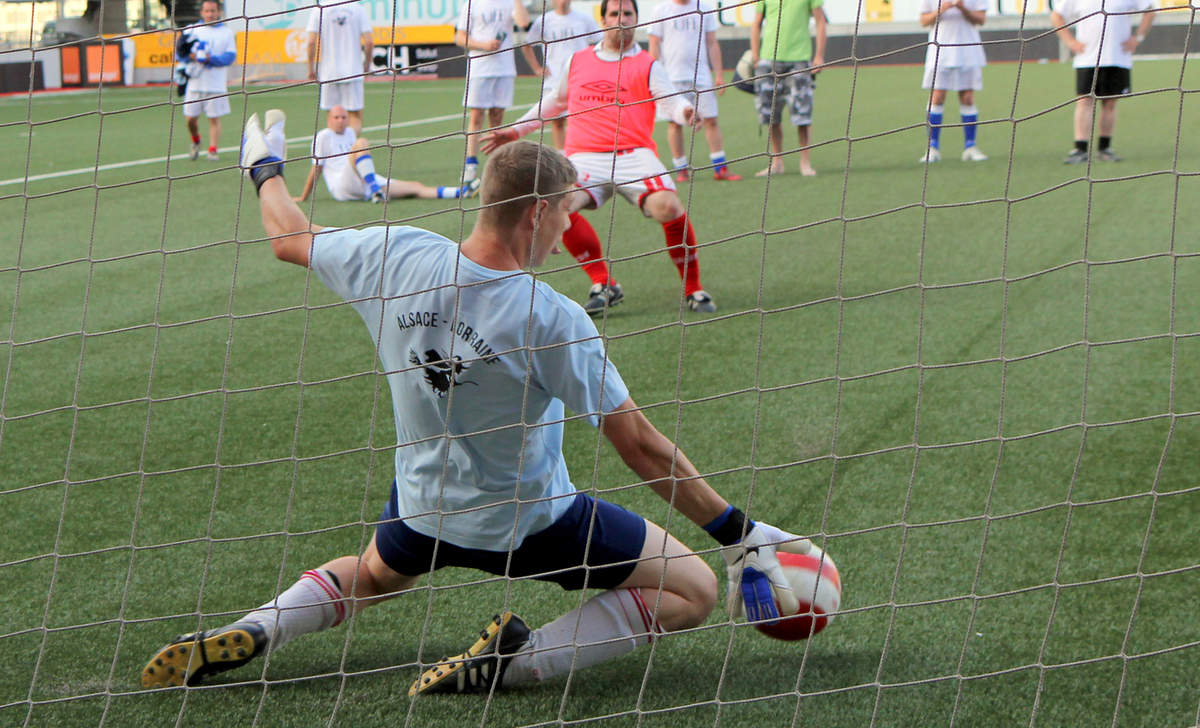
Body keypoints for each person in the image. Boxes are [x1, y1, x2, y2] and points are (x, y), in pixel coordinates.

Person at [139, 113, 816, 695]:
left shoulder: (394, 254)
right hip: (535, 525)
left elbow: (287, 236)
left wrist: (264, 169)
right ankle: (517, 663)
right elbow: (638, 445)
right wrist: (738, 533)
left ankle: (262, 624)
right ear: (534, 214)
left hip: (423, 508)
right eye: (565, 209)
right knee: (691, 589)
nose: (569, 223)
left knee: (374, 573)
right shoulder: (550, 318)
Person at [484, 0, 718, 315]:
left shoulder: (647, 64)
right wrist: (515, 130)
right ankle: (603, 281)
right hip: (585, 157)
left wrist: (686, 112)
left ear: (636, 20)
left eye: (627, 14)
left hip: (634, 155)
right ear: (603, 19)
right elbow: (554, 102)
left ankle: (694, 288)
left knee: (668, 206)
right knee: (556, 205)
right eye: (613, 14)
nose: (620, 20)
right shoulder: (578, 61)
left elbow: (672, 100)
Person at [1050, 0, 1154, 164]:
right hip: (1088, 59)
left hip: (1117, 57)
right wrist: (1070, 42)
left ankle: (1104, 149)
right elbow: (1056, 14)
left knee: (1110, 104)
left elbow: (1150, 9)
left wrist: (1138, 38)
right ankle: (1080, 149)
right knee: (1084, 101)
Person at [648, 0, 741, 183]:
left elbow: (712, 43)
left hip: (701, 77)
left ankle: (720, 168)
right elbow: (654, 45)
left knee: (711, 120)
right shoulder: (661, 11)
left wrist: (718, 74)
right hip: (671, 77)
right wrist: (653, 76)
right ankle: (682, 168)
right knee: (675, 123)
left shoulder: (704, 9)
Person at [750, 0, 827, 178]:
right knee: (771, 114)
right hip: (769, 60)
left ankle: (805, 161)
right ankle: (778, 161)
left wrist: (819, 55)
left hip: (799, 60)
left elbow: (821, 22)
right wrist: (755, 55)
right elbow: (756, 24)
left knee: (803, 113)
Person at [296, 105, 477, 203]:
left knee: (415, 186)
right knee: (362, 143)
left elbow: (357, 114)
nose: (341, 120)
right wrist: (304, 197)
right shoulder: (323, 137)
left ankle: (461, 193)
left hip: (364, 181)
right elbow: (316, 170)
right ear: (329, 120)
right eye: (336, 117)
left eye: (344, 117)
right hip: (343, 186)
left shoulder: (350, 132)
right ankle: (376, 191)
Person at [455, 0, 530, 182]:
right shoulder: (473, 4)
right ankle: (470, 165)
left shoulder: (509, 2)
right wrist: (482, 45)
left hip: (504, 68)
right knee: (476, 116)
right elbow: (460, 38)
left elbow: (523, 22)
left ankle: (494, 168)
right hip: (480, 67)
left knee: (497, 118)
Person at [917, 0, 989, 164]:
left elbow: (981, 19)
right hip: (940, 50)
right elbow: (923, 21)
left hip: (968, 49)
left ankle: (970, 147)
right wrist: (942, 9)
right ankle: (933, 148)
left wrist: (964, 9)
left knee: (967, 96)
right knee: (937, 96)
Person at [520, 0, 600, 150]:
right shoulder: (544, 20)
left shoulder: (583, 19)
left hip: (579, 78)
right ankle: (561, 156)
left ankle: (579, 153)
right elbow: (526, 45)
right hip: (554, 79)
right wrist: (537, 68)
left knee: (579, 119)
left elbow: (600, 42)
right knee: (556, 121)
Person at [307, 0, 374, 136]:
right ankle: (351, 152)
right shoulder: (358, 8)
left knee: (333, 115)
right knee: (355, 115)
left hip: (329, 72)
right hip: (353, 70)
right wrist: (366, 65)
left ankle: (335, 153)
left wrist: (311, 69)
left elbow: (310, 42)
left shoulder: (320, 9)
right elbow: (369, 41)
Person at [180, 0, 237, 161]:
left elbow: (229, 57)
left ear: (218, 12)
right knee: (190, 120)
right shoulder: (191, 30)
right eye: (207, 11)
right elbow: (180, 53)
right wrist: (190, 56)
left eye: (213, 11)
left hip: (216, 84)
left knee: (214, 118)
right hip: (194, 84)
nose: (210, 14)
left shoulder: (226, 32)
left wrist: (209, 59)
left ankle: (213, 150)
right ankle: (196, 140)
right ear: (202, 12)